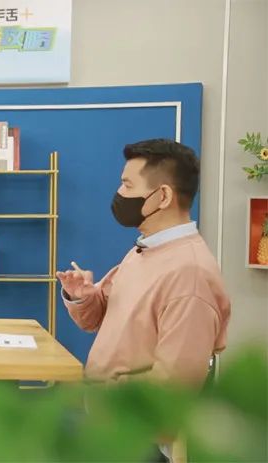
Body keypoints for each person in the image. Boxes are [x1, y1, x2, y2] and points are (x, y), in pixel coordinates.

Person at [57, 138, 230, 385]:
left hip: (128, 410)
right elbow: (101, 319)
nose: (119, 193)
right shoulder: (144, 251)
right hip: (105, 406)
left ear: (163, 196)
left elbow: (175, 383)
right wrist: (82, 298)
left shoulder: (190, 275)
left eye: (127, 185)